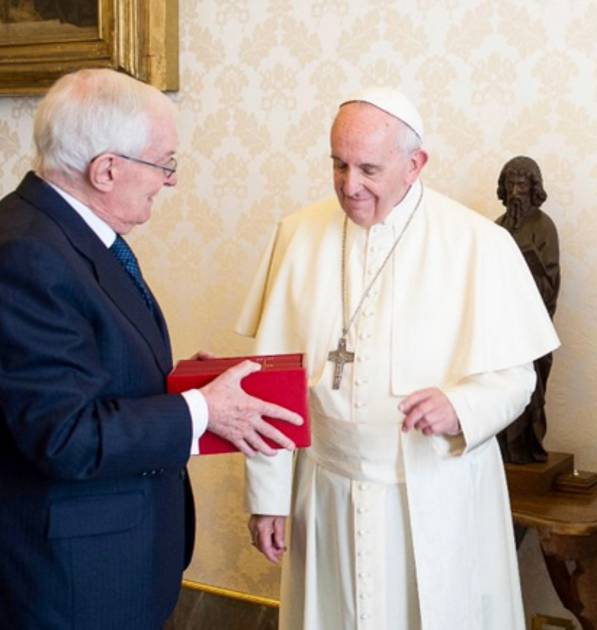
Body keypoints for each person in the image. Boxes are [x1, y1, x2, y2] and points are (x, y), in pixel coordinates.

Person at [239, 88, 559, 629]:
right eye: (338, 165)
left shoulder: (477, 243)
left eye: (369, 169)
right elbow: (270, 382)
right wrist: (268, 495)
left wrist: (460, 407)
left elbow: (515, 378)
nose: (349, 185)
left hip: (436, 492)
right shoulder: (297, 235)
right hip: (327, 490)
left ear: (415, 164)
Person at [0, 68, 302, 630]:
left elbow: (85, 375)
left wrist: (184, 386)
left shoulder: (66, 234)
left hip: (114, 559)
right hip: (74, 580)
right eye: (164, 163)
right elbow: (64, 436)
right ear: (107, 170)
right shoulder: (27, 254)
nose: (171, 181)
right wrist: (202, 410)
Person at [495, 155, 560, 464]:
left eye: (522, 184)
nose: (515, 192)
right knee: (497, 387)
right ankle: (501, 448)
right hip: (500, 326)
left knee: (530, 389)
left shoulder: (543, 226)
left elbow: (551, 279)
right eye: (510, 184)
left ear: (533, 187)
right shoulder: (497, 227)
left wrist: (526, 261)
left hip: (531, 327)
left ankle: (526, 447)